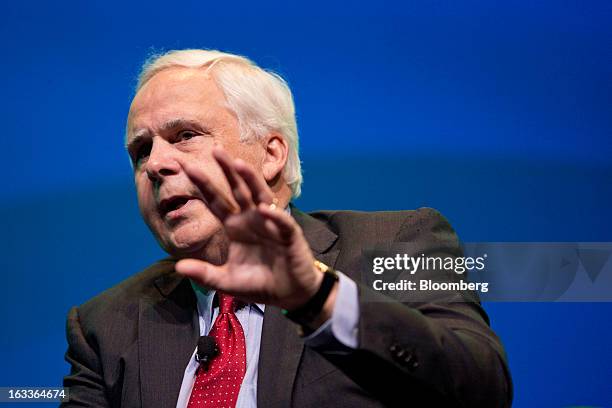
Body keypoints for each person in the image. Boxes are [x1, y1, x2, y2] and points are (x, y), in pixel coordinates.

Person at [62, 49, 512, 407]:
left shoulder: (394, 242)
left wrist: (316, 298)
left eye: (185, 136)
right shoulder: (105, 324)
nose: (156, 164)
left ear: (272, 153)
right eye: (141, 150)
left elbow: (480, 390)